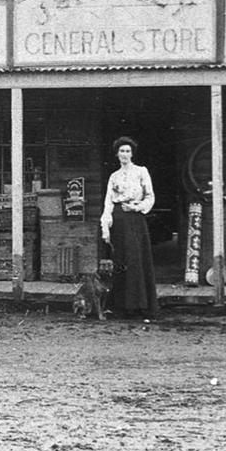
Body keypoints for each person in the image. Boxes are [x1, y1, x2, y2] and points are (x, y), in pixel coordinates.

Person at [100, 136, 159, 321]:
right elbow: (108, 202)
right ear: (117, 154)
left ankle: (141, 306)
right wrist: (105, 226)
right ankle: (122, 307)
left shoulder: (141, 172)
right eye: (121, 151)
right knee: (121, 262)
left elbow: (150, 197)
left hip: (135, 220)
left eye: (127, 151)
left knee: (136, 261)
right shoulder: (114, 176)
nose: (124, 154)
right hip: (119, 220)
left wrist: (136, 207)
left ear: (132, 154)